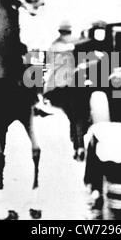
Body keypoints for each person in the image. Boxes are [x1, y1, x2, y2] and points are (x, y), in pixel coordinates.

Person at [44, 21, 87, 161]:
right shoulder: (76, 42)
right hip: (74, 84)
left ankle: (77, 142)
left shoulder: (54, 44)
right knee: (78, 115)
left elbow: (49, 62)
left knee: (73, 115)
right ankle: (78, 142)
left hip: (58, 86)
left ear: (60, 31)